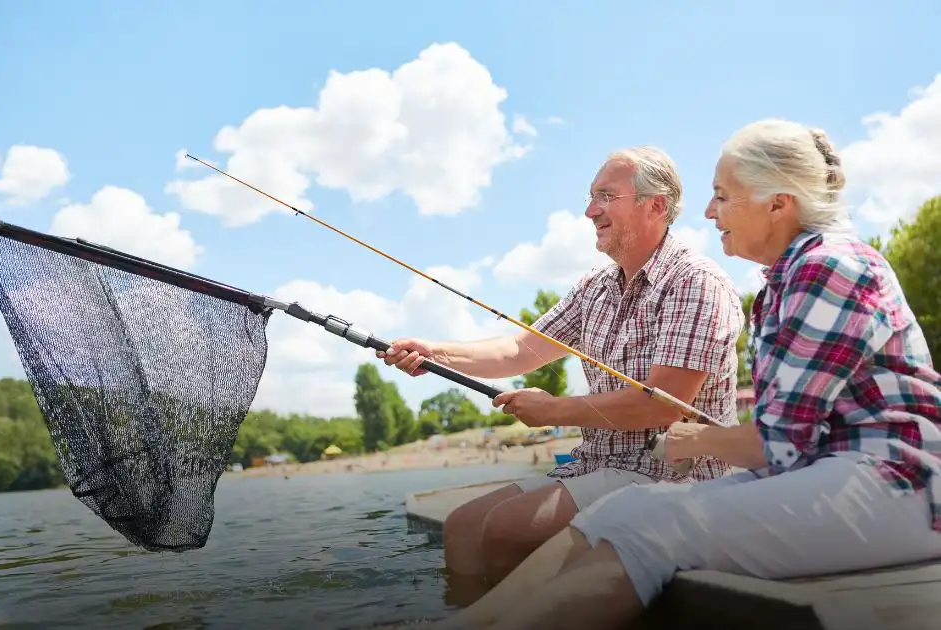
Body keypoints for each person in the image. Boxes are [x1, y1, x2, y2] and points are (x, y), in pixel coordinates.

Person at [402, 118, 941, 630]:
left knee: (657, 521)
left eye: (724, 196)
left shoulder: (824, 267)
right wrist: (434, 352)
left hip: (900, 483)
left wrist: (694, 439)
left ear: (778, 203)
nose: (708, 212)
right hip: (840, 472)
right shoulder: (785, 277)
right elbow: (520, 347)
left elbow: (779, 443)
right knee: (633, 510)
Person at [377, 146, 745, 585]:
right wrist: (435, 353)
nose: (591, 210)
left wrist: (552, 410)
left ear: (657, 205)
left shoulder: (696, 282)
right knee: (460, 526)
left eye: (607, 196)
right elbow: (520, 350)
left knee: (506, 529)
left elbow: (662, 406)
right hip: (596, 464)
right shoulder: (595, 285)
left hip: (675, 477)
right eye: (591, 197)